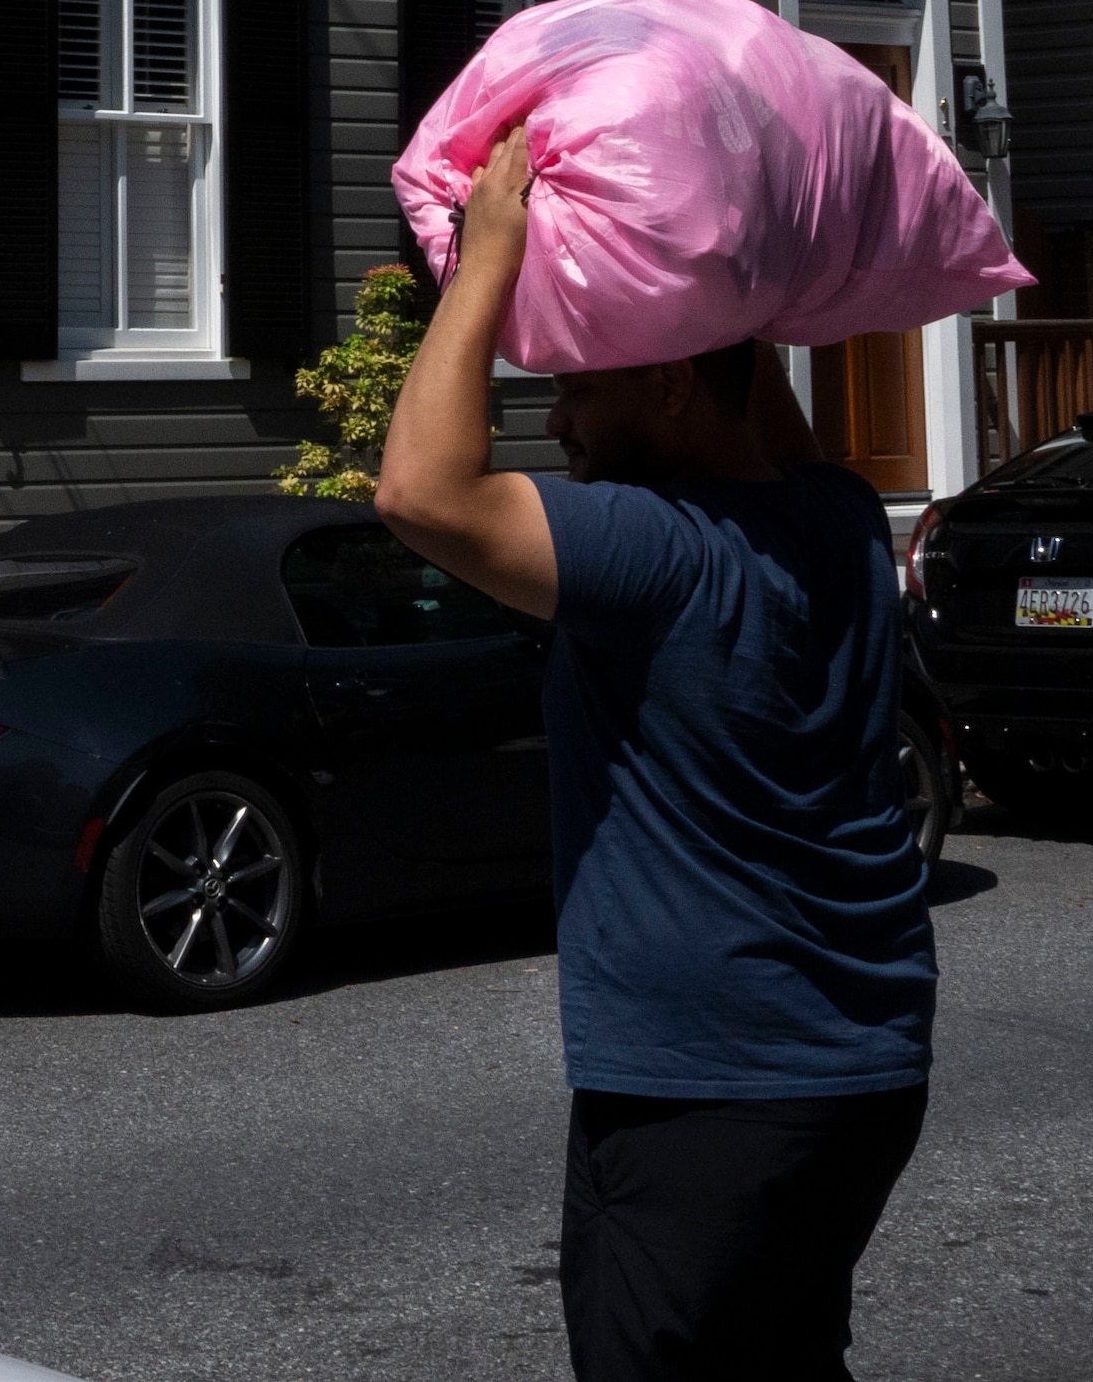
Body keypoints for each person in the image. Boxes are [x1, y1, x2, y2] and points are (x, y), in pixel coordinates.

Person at [373, 125, 936, 1382]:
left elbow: (419, 494)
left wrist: (489, 258)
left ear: (669, 388)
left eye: (578, 388)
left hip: (706, 1094)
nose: (557, 419)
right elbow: (756, 397)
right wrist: (736, 250)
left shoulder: (653, 553)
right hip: (863, 1071)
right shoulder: (837, 516)